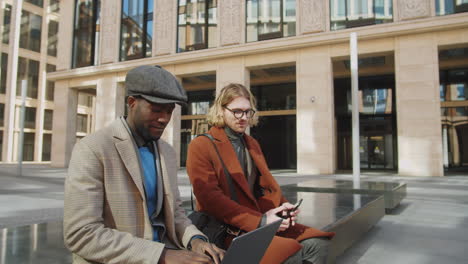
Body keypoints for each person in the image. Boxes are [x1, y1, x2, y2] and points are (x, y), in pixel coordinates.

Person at [63, 65, 225, 264]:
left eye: (169, 110)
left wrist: (196, 240)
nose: (164, 118)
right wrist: (163, 256)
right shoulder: (92, 149)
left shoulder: (167, 152)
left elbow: (175, 213)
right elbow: (81, 233)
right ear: (132, 103)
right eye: (156, 109)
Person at [186, 83, 335, 264]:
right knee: (288, 254)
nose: (243, 118)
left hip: (257, 222)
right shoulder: (201, 145)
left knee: (319, 244)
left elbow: (262, 189)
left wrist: (281, 209)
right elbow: (210, 199)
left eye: (248, 112)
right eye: (237, 111)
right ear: (221, 110)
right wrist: (261, 221)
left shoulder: (251, 143)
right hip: (226, 229)